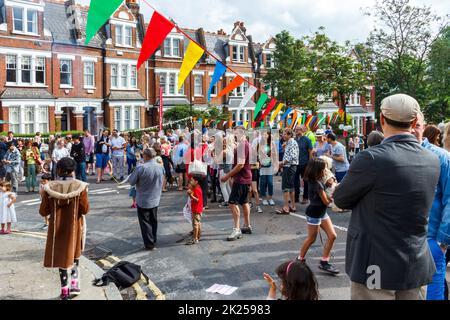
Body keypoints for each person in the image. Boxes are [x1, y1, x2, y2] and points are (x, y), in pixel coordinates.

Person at [334, 94, 440, 300]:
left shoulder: (371, 158)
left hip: (375, 265)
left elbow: (340, 200)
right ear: (414, 122)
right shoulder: (432, 158)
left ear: (381, 119)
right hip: (415, 262)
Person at [39, 157, 90, 300]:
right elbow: (85, 210)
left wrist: (44, 196)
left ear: (59, 169)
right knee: (74, 255)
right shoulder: (81, 186)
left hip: (57, 228)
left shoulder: (49, 187)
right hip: (75, 227)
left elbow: (43, 212)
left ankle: (64, 290)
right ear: (73, 170)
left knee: (61, 258)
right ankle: (75, 284)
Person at [413, 112, 450, 300]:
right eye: (406, 124)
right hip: (398, 242)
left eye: (416, 125)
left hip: (431, 239)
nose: (411, 129)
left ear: (424, 126)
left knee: (433, 294)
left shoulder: (441, 157)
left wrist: (442, 242)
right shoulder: (385, 157)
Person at [296, 158, 339, 274]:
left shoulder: (316, 180)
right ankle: (299, 260)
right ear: (317, 170)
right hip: (314, 213)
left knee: (332, 235)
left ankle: (324, 261)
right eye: (324, 169)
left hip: (321, 212)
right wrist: (336, 194)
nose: (326, 170)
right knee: (311, 239)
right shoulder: (318, 184)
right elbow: (326, 202)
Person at [128, 148, 165, 251]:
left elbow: (131, 182)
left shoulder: (141, 168)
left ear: (145, 156)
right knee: (153, 220)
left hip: (143, 199)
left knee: (145, 222)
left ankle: (149, 244)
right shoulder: (160, 167)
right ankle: (153, 239)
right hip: (155, 197)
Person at [221, 126, 253, 241]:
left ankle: (237, 229)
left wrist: (227, 175)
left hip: (241, 178)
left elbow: (240, 164)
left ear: (241, 133)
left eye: (235, 134)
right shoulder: (247, 144)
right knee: (244, 202)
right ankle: (247, 225)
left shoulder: (242, 145)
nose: (234, 136)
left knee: (232, 203)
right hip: (246, 177)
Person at [276, 129, 299, 215]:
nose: (283, 136)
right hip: (290, 167)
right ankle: (292, 206)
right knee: (291, 187)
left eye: (285, 134)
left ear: (290, 135)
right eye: (283, 134)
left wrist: (281, 163)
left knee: (286, 187)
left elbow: (292, 156)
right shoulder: (290, 142)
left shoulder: (292, 142)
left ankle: (286, 207)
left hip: (289, 167)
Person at [294, 126, 313, 205]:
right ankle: (296, 197)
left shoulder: (307, 140)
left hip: (305, 163)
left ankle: (305, 197)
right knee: (295, 181)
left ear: (302, 131)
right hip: (295, 163)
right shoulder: (294, 140)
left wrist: (310, 163)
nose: (296, 131)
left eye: (298, 130)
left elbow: (310, 152)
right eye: (295, 130)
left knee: (306, 181)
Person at [259, 130, 277, 207]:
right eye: (263, 134)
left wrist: (276, 164)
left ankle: (270, 198)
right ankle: (264, 198)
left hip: (270, 165)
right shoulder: (260, 144)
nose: (265, 136)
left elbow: (275, 154)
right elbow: (257, 154)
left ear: (269, 135)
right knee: (263, 182)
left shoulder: (272, 143)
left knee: (270, 182)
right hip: (262, 165)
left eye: (266, 134)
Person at [186, 175, 203, 245]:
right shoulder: (196, 187)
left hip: (196, 209)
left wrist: (191, 195)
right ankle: (198, 236)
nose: (191, 181)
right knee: (198, 223)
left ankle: (195, 238)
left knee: (195, 224)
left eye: (192, 180)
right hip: (197, 208)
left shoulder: (197, 189)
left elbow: (197, 200)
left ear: (196, 182)